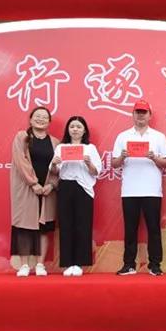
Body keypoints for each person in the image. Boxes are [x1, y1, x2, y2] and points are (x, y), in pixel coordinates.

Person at [111, 99, 166, 276]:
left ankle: (155, 264)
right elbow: (114, 163)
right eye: (138, 112)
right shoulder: (123, 136)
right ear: (133, 114)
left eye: (144, 112)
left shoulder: (158, 137)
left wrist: (154, 158)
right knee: (130, 229)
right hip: (129, 190)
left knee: (153, 229)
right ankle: (129, 264)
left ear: (150, 115)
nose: (140, 115)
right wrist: (122, 157)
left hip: (152, 190)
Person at [10, 107, 59, 277]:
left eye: (45, 117)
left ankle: (40, 264)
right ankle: (24, 265)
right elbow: (21, 161)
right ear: (30, 120)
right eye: (37, 116)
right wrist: (33, 183)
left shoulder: (55, 142)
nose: (41, 119)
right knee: (24, 226)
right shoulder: (22, 137)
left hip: (47, 191)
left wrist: (51, 185)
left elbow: (59, 168)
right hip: (26, 189)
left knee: (44, 227)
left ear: (49, 122)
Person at [51, 115, 102, 276]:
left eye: (79, 127)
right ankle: (67, 263)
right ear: (68, 129)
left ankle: (79, 263)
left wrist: (88, 163)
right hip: (65, 186)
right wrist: (54, 163)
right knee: (66, 225)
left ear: (84, 130)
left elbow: (96, 172)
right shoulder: (61, 147)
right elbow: (54, 171)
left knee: (83, 225)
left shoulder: (90, 148)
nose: (75, 129)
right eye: (72, 126)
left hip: (84, 188)